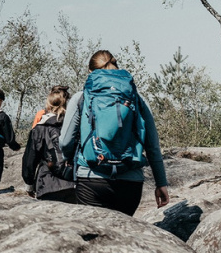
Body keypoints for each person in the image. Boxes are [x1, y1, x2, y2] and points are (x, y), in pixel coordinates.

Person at [59, 50, 169, 216]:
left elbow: (65, 142)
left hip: (91, 178)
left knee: (92, 236)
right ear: (117, 67)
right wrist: (161, 183)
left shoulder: (80, 98)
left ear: (91, 72)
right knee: (122, 235)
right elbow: (152, 144)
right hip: (130, 180)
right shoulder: (137, 98)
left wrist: (68, 158)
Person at [22, 88, 76, 203]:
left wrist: (29, 186)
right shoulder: (74, 126)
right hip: (74, 183)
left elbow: (30, 160)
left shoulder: (40, 128)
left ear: (49, 105)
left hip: (47, 184)